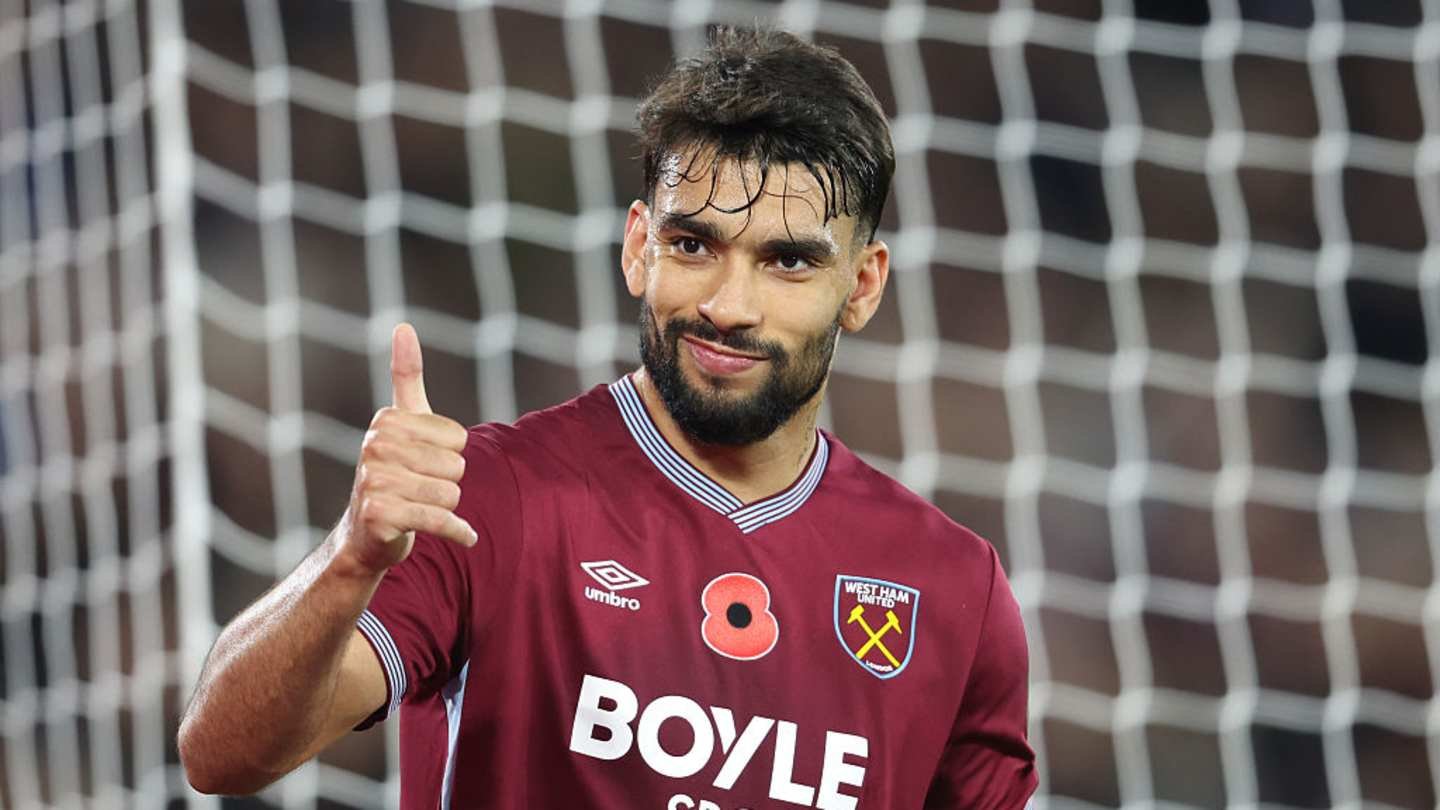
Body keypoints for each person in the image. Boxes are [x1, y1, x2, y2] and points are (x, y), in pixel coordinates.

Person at [178, 27, 1036, 809]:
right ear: (638, 248)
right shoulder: (488, 498)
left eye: (787, 262)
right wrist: (349, 560)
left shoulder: (955, 591)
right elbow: (221, 756)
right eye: (693, 245)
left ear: (862, 285)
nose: (730, 305)